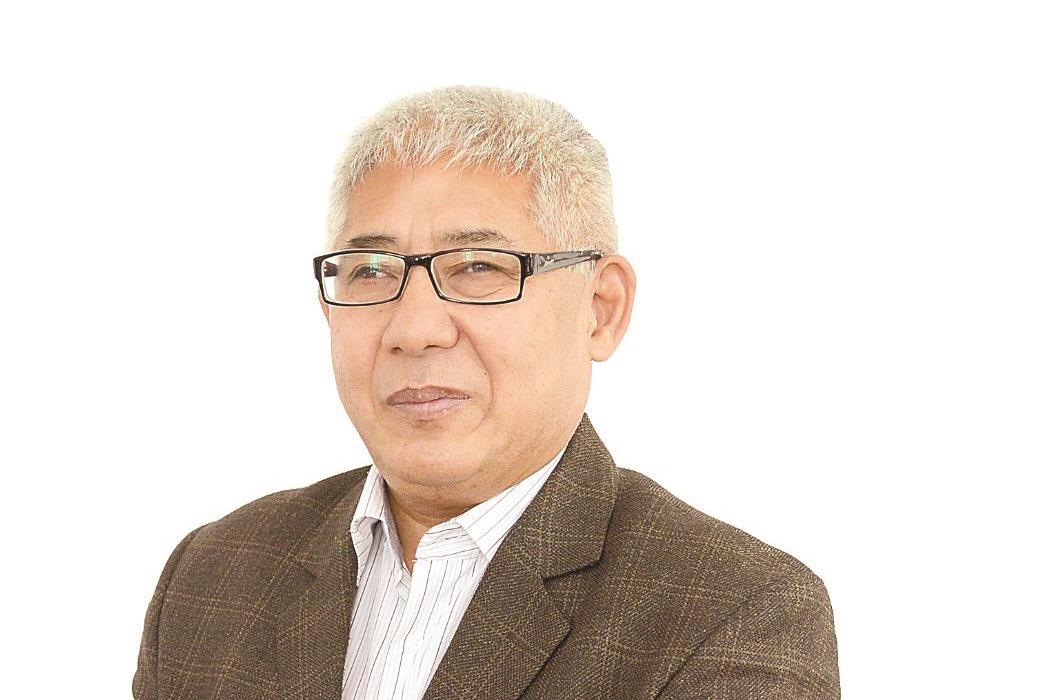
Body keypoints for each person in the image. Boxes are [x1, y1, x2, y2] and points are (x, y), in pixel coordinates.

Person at [133, 86, 840, 700]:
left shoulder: (735, 611)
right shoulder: (215, 574)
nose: (414, 330)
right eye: (371, 270)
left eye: (477, 267)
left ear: (600, 309)